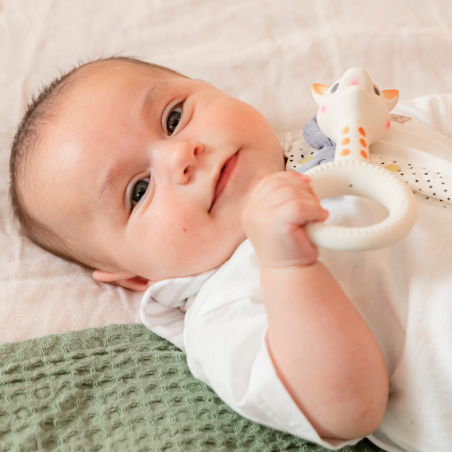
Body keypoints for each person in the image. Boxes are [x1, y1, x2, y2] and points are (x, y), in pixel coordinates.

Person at [9, 57, 452, 452]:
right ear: (138, 279)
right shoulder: (226, 304)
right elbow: (351, 407)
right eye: (139, 191)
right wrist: (288, 267)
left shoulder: (350, 127)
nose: (181, 154)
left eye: (173, 117)